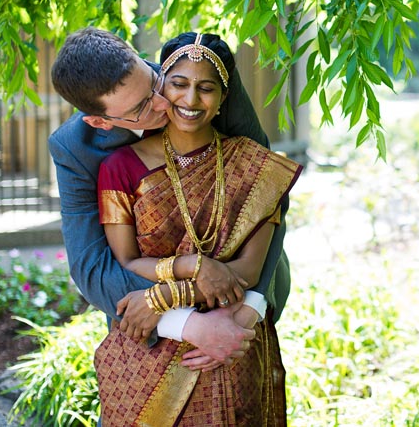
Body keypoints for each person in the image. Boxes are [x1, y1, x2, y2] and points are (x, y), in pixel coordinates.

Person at [48, 27, 291, 368]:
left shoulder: (196, 73)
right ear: (101, 121)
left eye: (153, 82)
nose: (168, 102)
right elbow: (92, 268)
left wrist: (249, 306)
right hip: (150, 332)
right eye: (142, 106)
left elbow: (267, 188)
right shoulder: (74, 148)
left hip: (241, 304)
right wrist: (182, 318)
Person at [94, 32, 302, 425]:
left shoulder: (255, 168)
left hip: (228, 344)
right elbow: (126, 262)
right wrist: (191, 271)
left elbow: (250, 271)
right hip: (149, 350)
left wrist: (162, 296)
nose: (190, 100)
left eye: (206, 88)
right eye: (179, 84)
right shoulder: (119, 168)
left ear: (224, 97)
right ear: (160, 85)